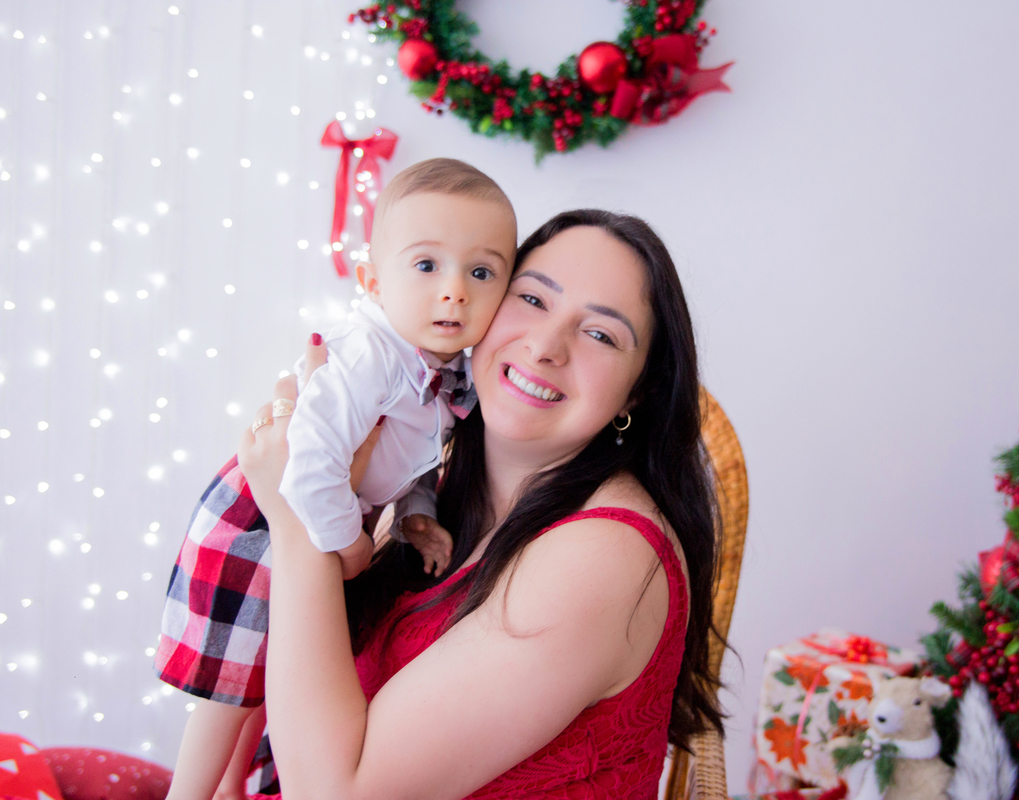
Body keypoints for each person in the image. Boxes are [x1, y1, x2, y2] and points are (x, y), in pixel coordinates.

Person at [235, 209, 725, 799]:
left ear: (638, 391)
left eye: (600, 334)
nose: (545, 346)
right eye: (533, 299)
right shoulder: (437, 493)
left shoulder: (605, 556)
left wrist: (298, 516)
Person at [156, 159, 519, 800]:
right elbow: (311, 463)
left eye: (481, 271)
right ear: (374, 282)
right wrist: (351, 544)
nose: (455, 291)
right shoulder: (368, 357)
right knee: (228, 695)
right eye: (427, 265)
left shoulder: (437, 374)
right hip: (261, 518)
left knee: (262, 687)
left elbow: (409, 460)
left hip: (309, 519)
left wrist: (416, 515)